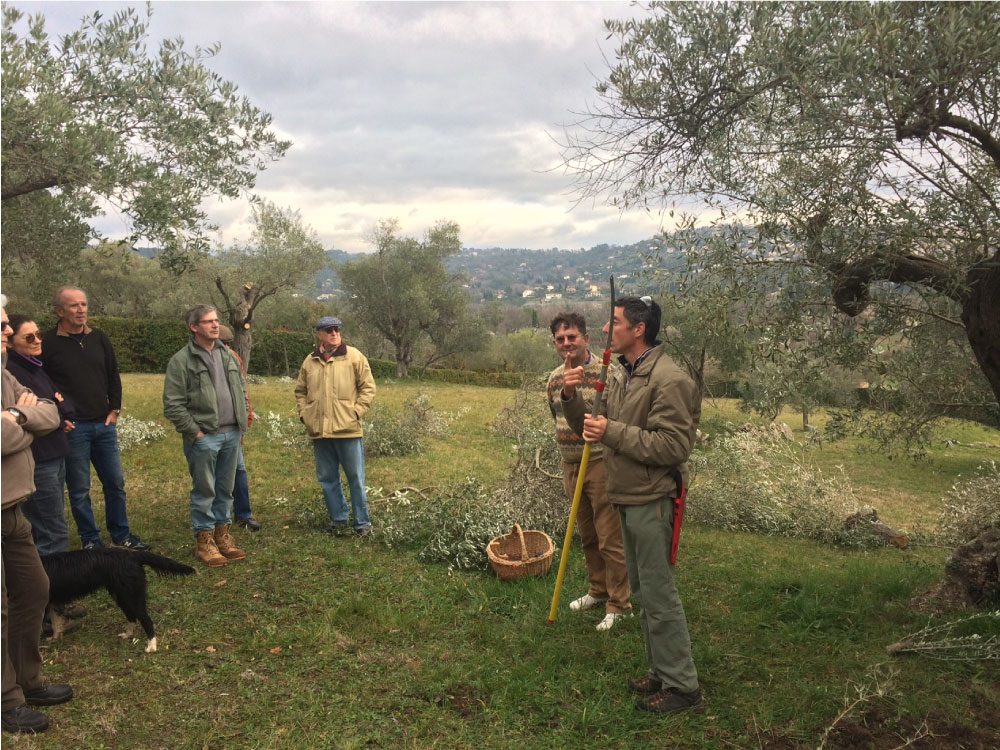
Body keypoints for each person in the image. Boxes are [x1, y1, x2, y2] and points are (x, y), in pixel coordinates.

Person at [562, 295, 703, 715]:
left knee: (659, 595)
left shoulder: (669, 379)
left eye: (615, 322)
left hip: (652, 499)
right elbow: (596, 430)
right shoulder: (627, 372)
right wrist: (572, 400)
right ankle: (661, 673)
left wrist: (612, 431)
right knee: (643, 592)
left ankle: (684, 688)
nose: (607, 329)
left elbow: (675, 446)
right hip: (626, 496)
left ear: (638, 329)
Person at [2, 297, 74, 735]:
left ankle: (28, 681)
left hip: (13, 509)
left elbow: (50, 412)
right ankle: (6, 701)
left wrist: (15, 415)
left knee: (35, 590)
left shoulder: (6, 374)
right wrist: (24, 424)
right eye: (2, 326)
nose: (8, 332)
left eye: (8, 325)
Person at [41, 287, 150, 551]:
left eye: (84, 304)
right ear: (59, 311)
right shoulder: (48, 343)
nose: (81, 310)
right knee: (79, 490)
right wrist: (58, 415)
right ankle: (91, 540)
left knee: (115, 483)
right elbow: (43, 383)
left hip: (104, 424)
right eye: (74, 306)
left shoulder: (99, 338)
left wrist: (114, 409)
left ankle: (121, 535)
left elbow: (113, 374)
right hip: (74, 427)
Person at [546, 312, 631, 631]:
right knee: (587, 534)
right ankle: (598, 590)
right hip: (570, 464)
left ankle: (619, 603)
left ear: (586, 339)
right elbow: (554, 414)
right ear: (554, 343)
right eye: (560, 339)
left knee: (610, 536)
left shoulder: (606, 373)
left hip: (599, 463)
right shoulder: (555, 377)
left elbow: (612, 420)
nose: (567, 343)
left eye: (572, 337)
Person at [163, 306, 250, 567]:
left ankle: (223, 536)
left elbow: (241, 389)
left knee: (225, 488)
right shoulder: (181, 361)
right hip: (204, 437)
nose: (215, 325)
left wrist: (242, 418)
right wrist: (196, 433)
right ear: (194, 327)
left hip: (231, 434)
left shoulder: (229, 356)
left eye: (216, 321)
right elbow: (173, 404)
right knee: (205, 489)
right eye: (208, 322)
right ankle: (205, 543)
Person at [294, 316, 376, 536]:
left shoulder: (354, 357)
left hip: (348, 430)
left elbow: (368, 389)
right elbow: (300, 391)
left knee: (356, 479)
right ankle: (338, 521)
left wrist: (356, 412)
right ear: (319, 334)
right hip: (319, 432)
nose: (334, 333)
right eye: (329, 330)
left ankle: (362, 524)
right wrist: (305, 415)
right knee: (327, 479)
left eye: (337, 329)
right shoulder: (309, 361)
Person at [218, 325, 261, 531]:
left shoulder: (235, 359)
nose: (226, 348)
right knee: (212, 474)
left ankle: (243, 514)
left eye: (228, 344)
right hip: (210, 431)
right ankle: (217, 518)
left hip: (234, 428)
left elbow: (242, 391)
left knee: (239, 470)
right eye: (222, 344)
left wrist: (246, 418)